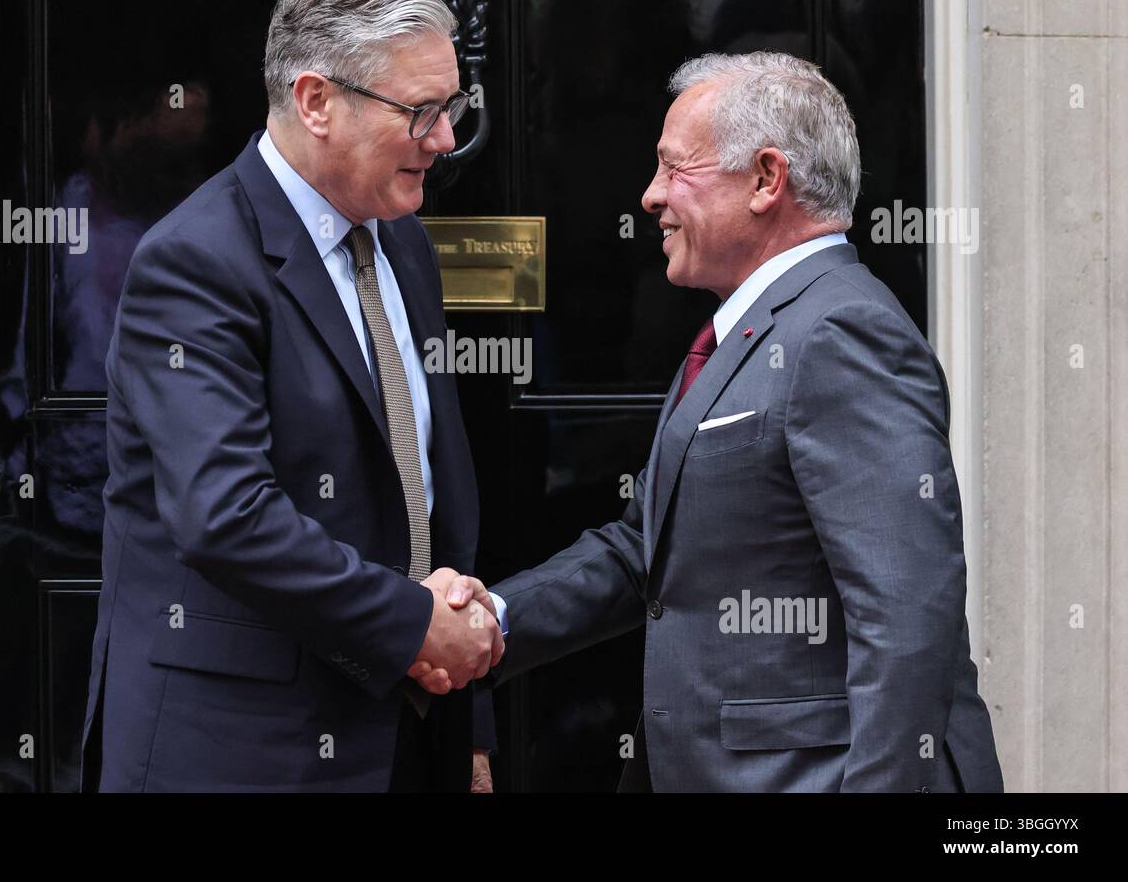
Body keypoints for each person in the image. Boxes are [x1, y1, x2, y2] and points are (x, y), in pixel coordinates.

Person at [417, 51, 1004, 793]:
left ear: (766, 179)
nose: (651, 195)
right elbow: (646, 554)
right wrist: (496, 615)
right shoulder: (752, 328)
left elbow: (907, 613)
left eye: (674, 167)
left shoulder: (840, 333)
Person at [81, 0, 502, 793]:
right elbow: (226, 516)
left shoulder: (405, 243)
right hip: (244, 753)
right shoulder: (195, 262)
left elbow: (429, 494)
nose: (448, 140)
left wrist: (469, 722)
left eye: (452, 108)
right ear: (316, 101)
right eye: (422, 111)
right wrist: (417, 624)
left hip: (409, 735)